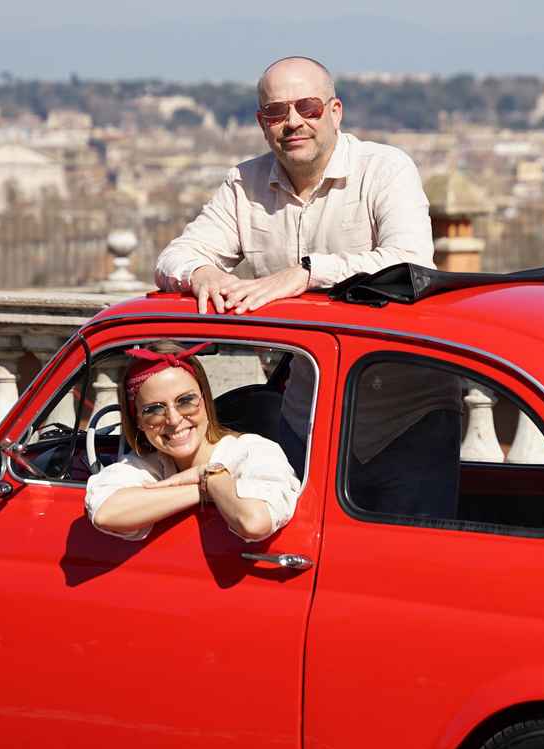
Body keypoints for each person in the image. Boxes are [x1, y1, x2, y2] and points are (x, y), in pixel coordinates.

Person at [153, 56, 460, 517]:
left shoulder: (386, 169)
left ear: (335, 111)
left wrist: (305, 274)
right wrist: (203, 273)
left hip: (408, 419)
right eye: (277, 112)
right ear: (262, 123)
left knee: (406, 567)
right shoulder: (244, 184)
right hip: (308, 416)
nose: (293, 122)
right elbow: (174, 257)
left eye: (308, 107)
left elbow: (410, 262)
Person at [86, 341, 301, 543]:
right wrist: (201, 486)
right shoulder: (151, 464)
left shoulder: (254, 451)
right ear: (139, 422)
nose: (174, 419)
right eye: (154, 410)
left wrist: (212, 476)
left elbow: (254, 522)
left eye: (186, 401)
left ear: (205, 400)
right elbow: (106, 512)